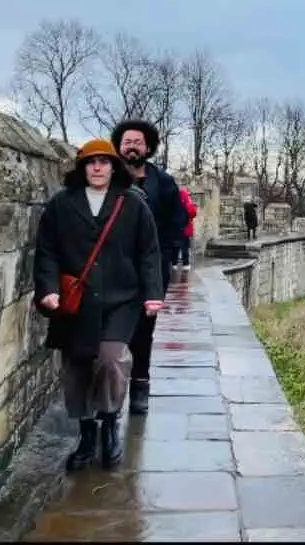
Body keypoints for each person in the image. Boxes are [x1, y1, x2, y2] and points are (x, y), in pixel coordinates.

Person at [33, 138, 164, 472]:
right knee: (76, 367)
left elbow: (148, 252)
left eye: (104, 162)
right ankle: (86, 433)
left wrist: (153, 293)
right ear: (82, 167)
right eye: (91, 162)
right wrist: (47, 289)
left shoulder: (132, 203)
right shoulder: (62, 204)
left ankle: (109, 424)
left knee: (111, 360)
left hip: (121, 299)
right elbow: (47, 250)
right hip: (75, 302)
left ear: (112, 166)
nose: (97, 167)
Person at [110, 119, 187, 416]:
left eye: (138, 142)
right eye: (127, 141)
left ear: (148, 147)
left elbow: (177, 223)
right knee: (110, 333)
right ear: (119, 145)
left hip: (150, 270)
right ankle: (110, 394)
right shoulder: (109, 179)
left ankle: (140, 385)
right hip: (113, 269)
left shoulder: (163, 182)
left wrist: (164, 256)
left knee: (144, 331)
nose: (132, 146)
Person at [178, 185, 199, 270]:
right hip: (186, 228)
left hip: (176, 228)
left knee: (175, 246)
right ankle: (185, 264)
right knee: (185, 246)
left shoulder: (176, 201)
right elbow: (193, 213)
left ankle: (174, 263)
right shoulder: (187, 202)